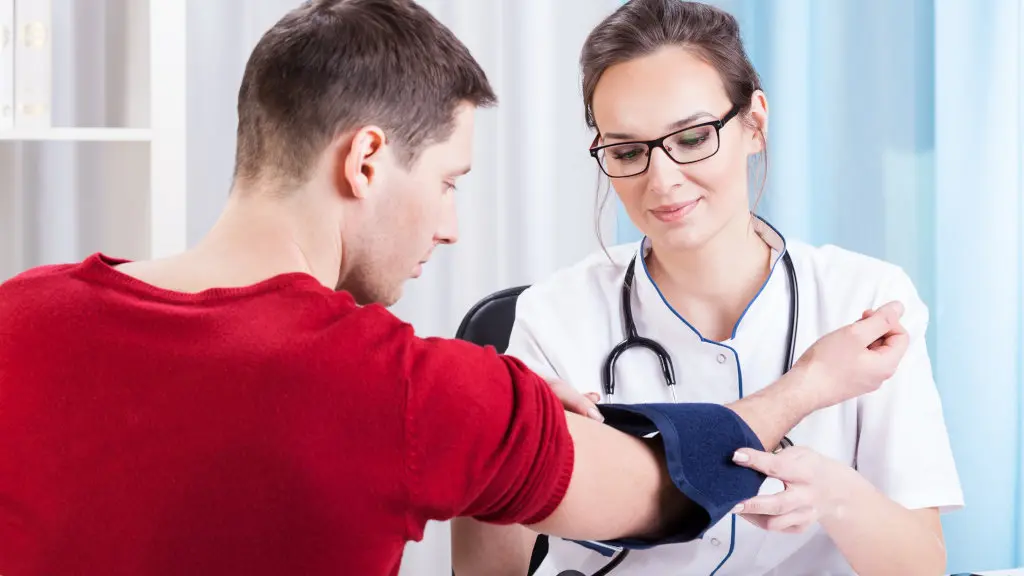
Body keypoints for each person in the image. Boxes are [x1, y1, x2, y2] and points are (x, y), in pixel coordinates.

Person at [0, 1, 909, 576]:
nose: (450, 226)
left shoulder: (20, 315)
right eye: (448, 181)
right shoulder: (409, 390)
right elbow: (669, 487)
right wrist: (812, 386)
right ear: (364, 160)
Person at [451, 1, 963, 576]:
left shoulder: (863, 301)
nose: (662, 179)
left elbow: (923, 563)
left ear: (755, 124)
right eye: (626, 152)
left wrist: (837, 494)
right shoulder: (554, 315)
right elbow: (493, 557)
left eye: (693, 138)